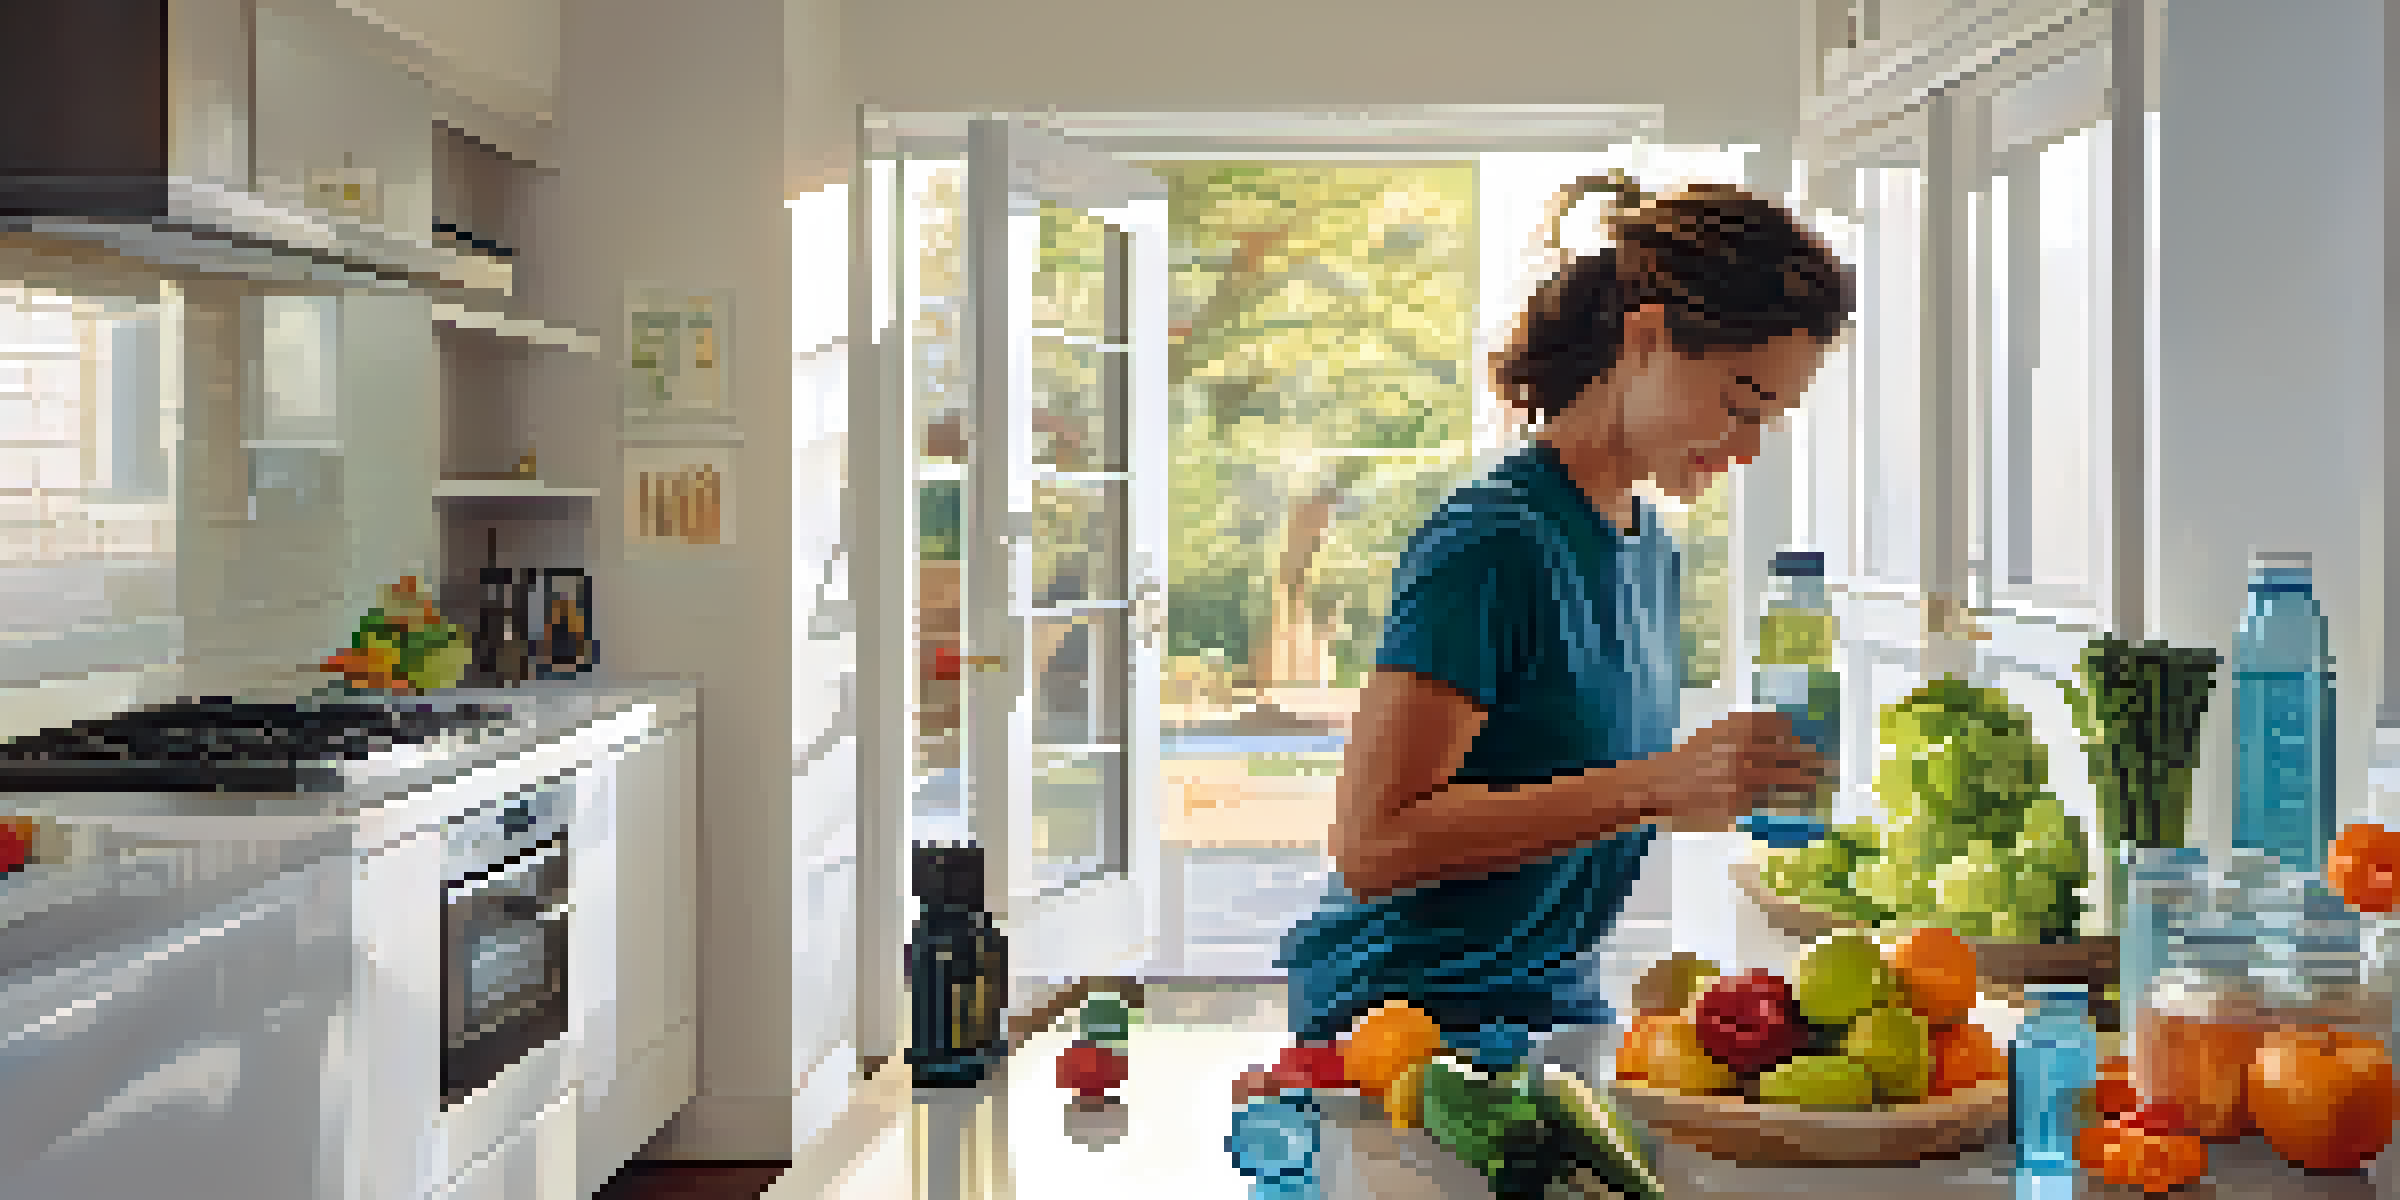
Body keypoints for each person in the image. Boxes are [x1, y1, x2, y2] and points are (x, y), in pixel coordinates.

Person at [1276, 174, 1858, 1071]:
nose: (1745, 447)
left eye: (1769, 422)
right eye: (1740, 403)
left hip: (1552, 1008)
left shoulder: (1648, 546)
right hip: (1405, 1028)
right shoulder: (1493, 539)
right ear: (1649, 334)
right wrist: (1660, 786)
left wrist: (1699, 787)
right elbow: (1372, 844)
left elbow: (1574, 791)